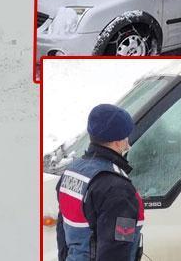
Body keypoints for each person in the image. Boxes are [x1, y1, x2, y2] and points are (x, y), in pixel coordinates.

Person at [56, 104, 144, 261]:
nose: (127, 142)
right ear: (117, 142)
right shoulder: (118, 189)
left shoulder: (72, 172)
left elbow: (62, 231)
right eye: (126, 137)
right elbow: (116, 251)